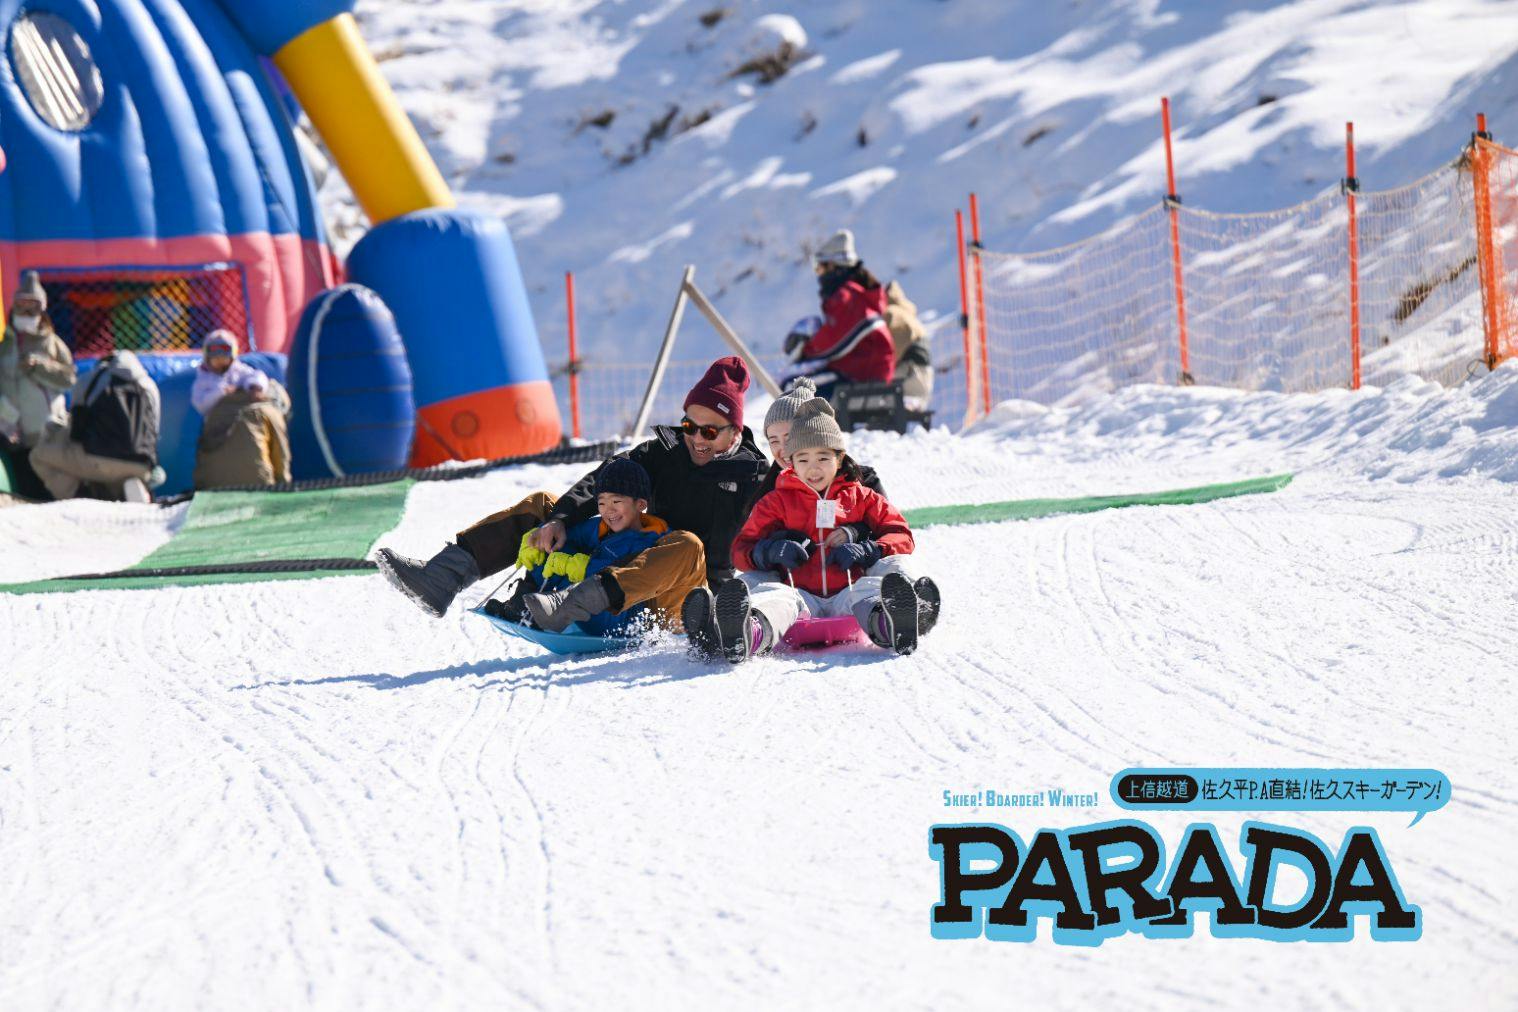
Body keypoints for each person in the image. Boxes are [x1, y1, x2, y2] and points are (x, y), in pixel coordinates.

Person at [377, 356, 769, 631]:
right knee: (544, 508)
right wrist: (561, 520)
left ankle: (571, 605)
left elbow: (784, 521)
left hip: (681, 599)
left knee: (686, 543)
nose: (697, 439)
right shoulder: (663, 453)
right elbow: (604, 478)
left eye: (710, 431)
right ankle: (442, 578)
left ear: (735, 432)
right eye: (690, 426)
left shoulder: (752, 476)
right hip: (621, 562)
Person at [685, 397, 941, 662]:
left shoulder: (862, 496)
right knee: (776, 597)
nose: (813, 468)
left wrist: (870, 547)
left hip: (848, 592)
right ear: (792, 462)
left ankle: (899, 623)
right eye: (803, 459)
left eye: (822, 457)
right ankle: (744, 633)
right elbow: (741, 550)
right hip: (800, 595)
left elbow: (901, 534)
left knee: (872, 587)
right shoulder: (776, 501)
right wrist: (769, 551)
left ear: (839, 457)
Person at [494, 458, 669, 635]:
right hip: (586, 605)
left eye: (616, 502)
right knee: (554, 545)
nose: (608, 510)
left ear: (640, 504)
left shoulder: (650, 540)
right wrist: (538, 538)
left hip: (620, 618)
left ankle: (541, 614)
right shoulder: (602, 527)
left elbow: (625, 576)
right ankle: (522, 603)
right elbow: (569, 535)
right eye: (602, 503)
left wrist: (583, 567)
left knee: (570, 570)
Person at [30, 349, 160, 502]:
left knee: (39, 456)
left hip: (98, 458)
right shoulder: (150, 387)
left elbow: (76, 429)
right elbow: (154, 433)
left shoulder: (93, 378)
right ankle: (131, 488)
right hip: (142, 465)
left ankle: (84, 496)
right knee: (115, 470)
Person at [781, 229, 896, 400]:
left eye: (819, 268)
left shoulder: (847, 296)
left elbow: (834, 339)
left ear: (833, 266)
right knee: (798, 384)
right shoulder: (857, 291)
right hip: (866, 370)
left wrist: (804, 350)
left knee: (794, 387)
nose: (819, 274)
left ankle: (810, 427)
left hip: (861, 375)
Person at [0, 272, 76, 498]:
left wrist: (41, 367)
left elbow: (69, 378)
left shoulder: (52, 343)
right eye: (22, 304)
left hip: (44, 430)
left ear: (41, 309)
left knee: (45, 488)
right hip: (11, 431)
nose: (26, 311)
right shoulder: (5, 344)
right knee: (20, 485)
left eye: (32, 305)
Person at [190, 330, 292, 489]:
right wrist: (221, 392)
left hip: (244, 421)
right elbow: (201, 403)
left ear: (232, 357)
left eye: (223, 359)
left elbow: (256, 376)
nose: (219, 363)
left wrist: (254, 387)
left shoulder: (238, 370)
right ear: (207, 358)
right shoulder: (204, 379)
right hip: (220, 427)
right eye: (215, 360)